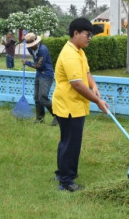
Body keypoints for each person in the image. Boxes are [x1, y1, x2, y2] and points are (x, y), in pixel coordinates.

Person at [52, 17, 109, 192]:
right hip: (69, 106)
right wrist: (98, 101)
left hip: (74, 105)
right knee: (71, 143)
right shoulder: (69, 54)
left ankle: (63, 173)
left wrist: (94, 85)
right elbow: (76, 83)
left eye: (91, 35)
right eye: (87, 35)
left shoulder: (79, 51)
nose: (89, 38)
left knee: (67, 141)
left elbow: (86, 72)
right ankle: (66, 181)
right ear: (75, 33)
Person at [23, 32, 57, 126]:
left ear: (36, 42)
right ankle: (40, 119)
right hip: (39, 75)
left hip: (46, 75)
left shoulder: (43, 50)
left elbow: (39, 65)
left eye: (32, 44)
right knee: (37, 98)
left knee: (43, 97)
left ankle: (57, 116)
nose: (31, 46)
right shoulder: (30, 48)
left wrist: (27, 63)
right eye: (29, 44)